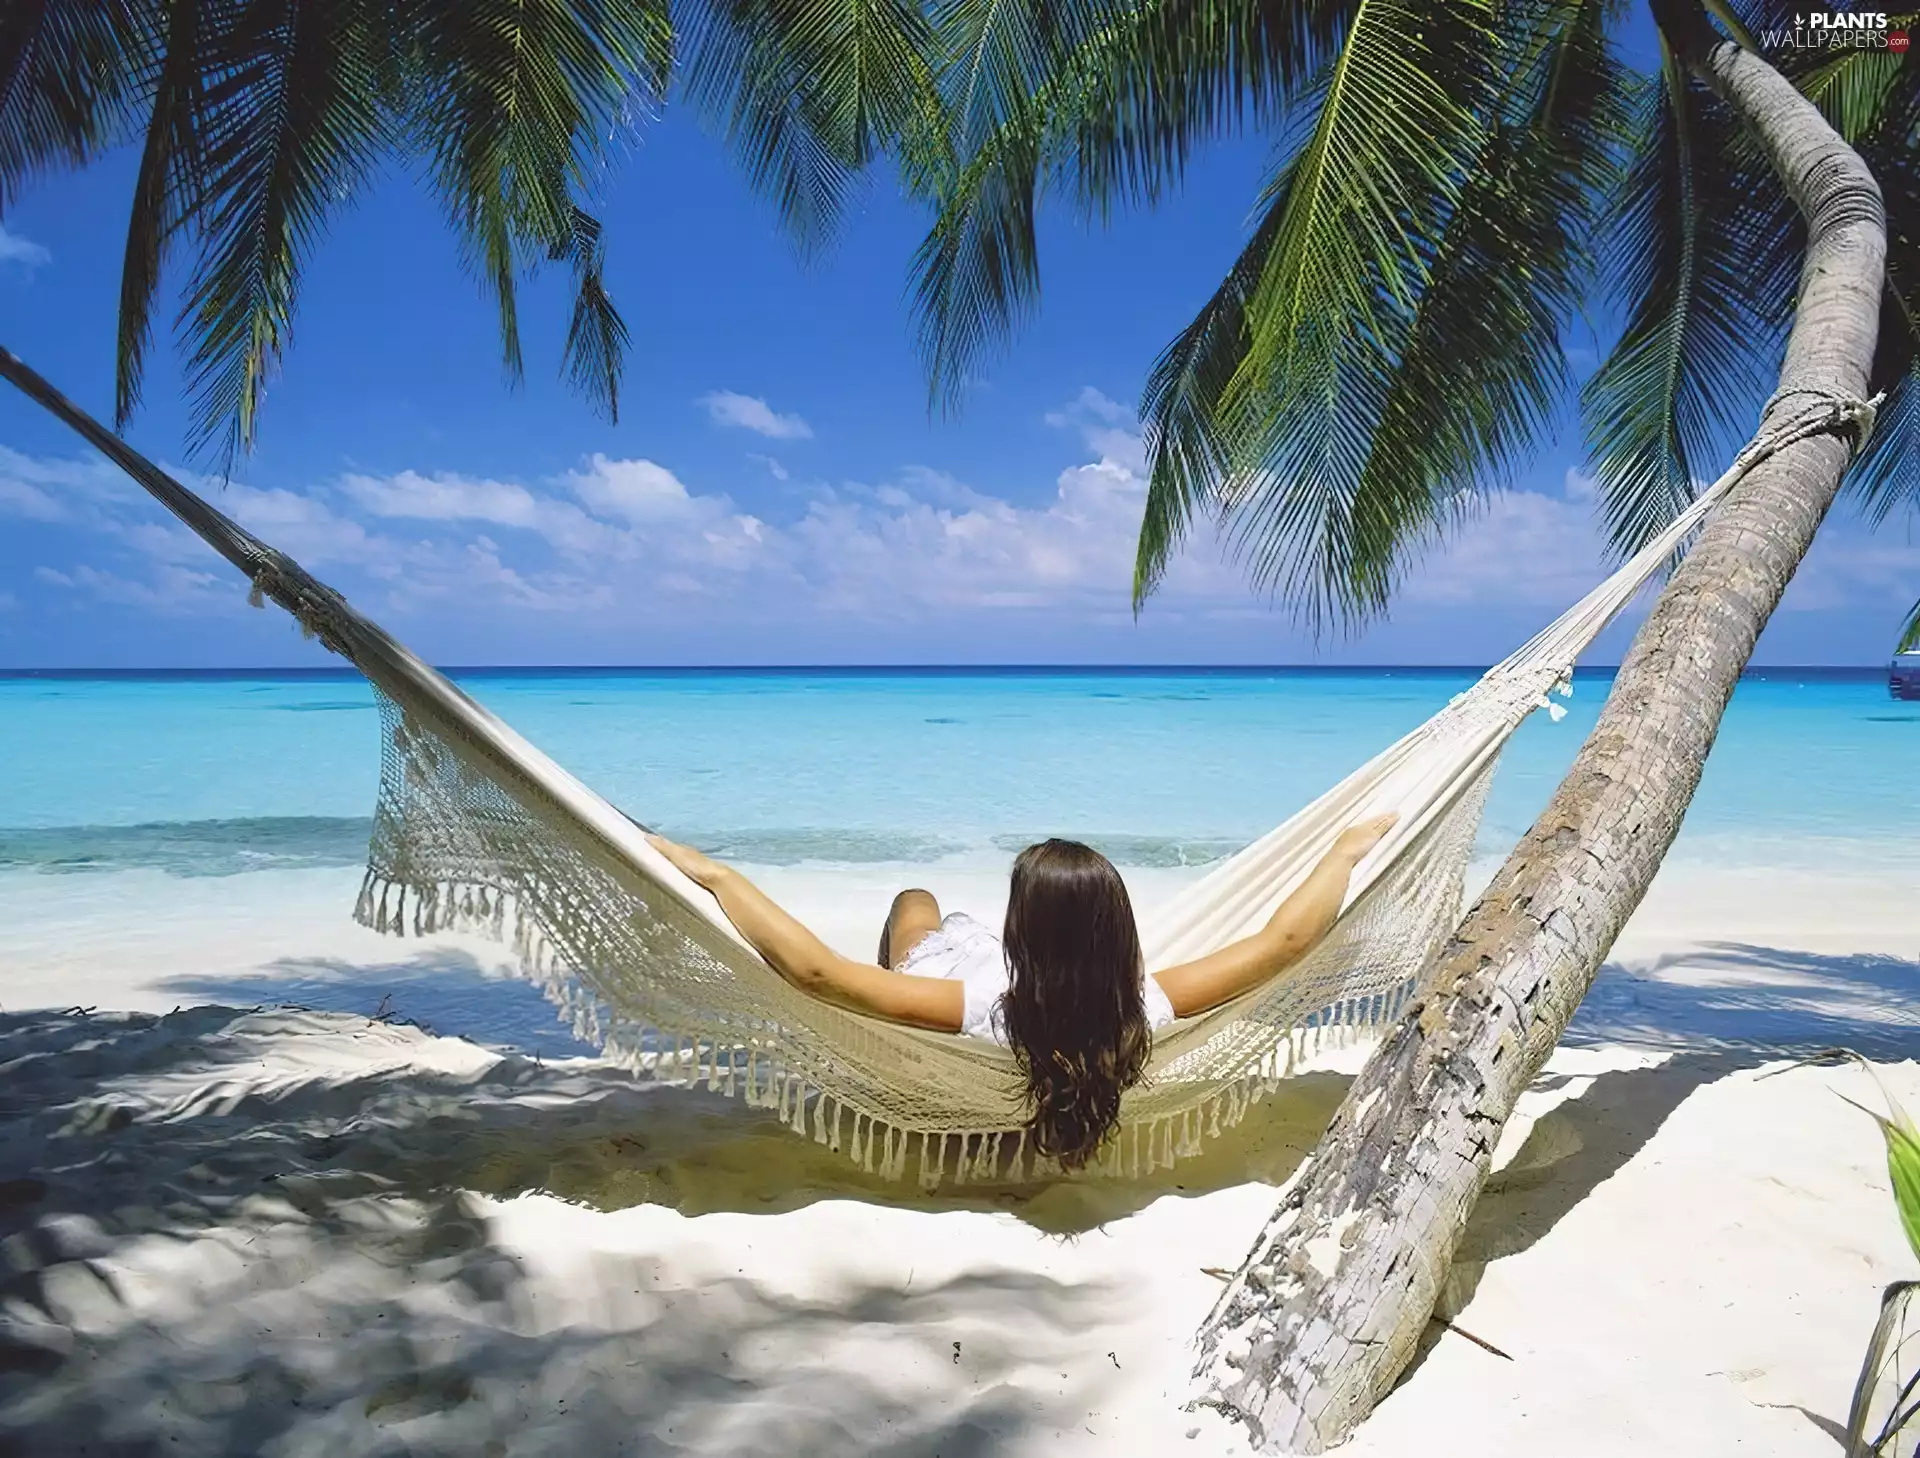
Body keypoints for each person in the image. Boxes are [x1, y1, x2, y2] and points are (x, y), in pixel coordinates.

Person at [644, 812, 1397, 1170]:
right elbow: (1282, 945)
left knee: (915, 903)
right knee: (947, 918)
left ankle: (911, 996)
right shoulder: (1138, 1006)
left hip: (947, 969)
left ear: (1025, 931)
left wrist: (719, 877)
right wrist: (1341, 854)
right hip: (1010, 970)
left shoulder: (975, 1013)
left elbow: (816, 975)